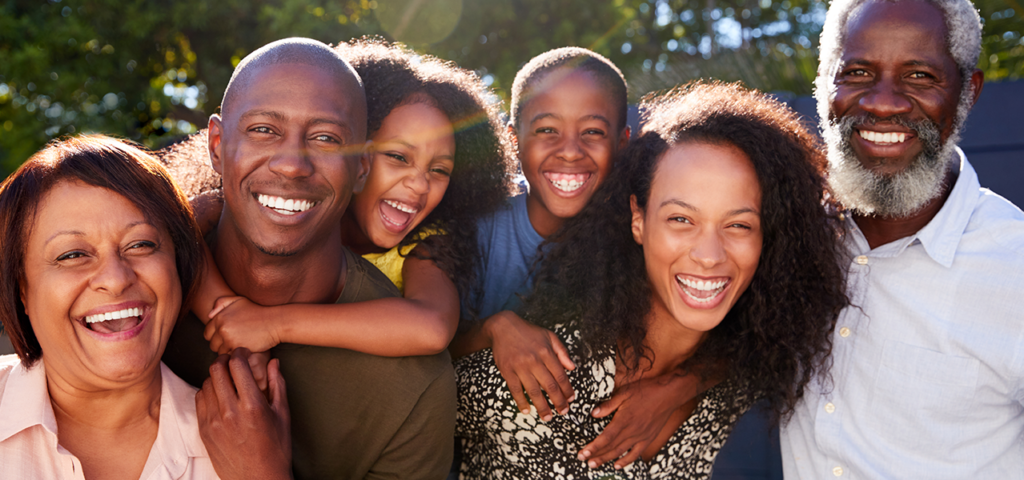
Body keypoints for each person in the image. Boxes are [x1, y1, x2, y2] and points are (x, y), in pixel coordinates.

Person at [454, 82, 849, 479]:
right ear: (638, 219)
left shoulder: (740, 378)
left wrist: (685, 382)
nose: (709, 255)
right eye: (681, 219)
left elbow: (752, 358)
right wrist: (492, 330)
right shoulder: (542, 371)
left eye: (739, 224)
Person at [160, 38, 456, 480]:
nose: (293, 165)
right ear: (217, 145)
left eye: (325, 138)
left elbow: (432, 326)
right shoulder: (137, 293)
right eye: (264, 129)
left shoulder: (414, 387)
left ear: (360, 166)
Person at [780, 0, 1024, 477]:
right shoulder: (788, 232)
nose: (883, 102)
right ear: (824, 84)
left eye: (919, 76)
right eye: (857, 72)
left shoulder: (1014, 267)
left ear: (967, 93)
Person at [179, 38, 514, 359]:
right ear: (358, 160)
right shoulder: (267, 202)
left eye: (439, 170)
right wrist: (223, 311)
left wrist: (272, 325)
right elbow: (176, 230)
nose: (418, 184)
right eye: (398, 157)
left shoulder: (424, 247)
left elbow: (432, 327)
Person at [0, 135, 289, 479]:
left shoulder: (248, 449)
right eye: (72, 255)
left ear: (177, 266)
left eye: (141, 244)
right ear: (21, 288)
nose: (116, 278)